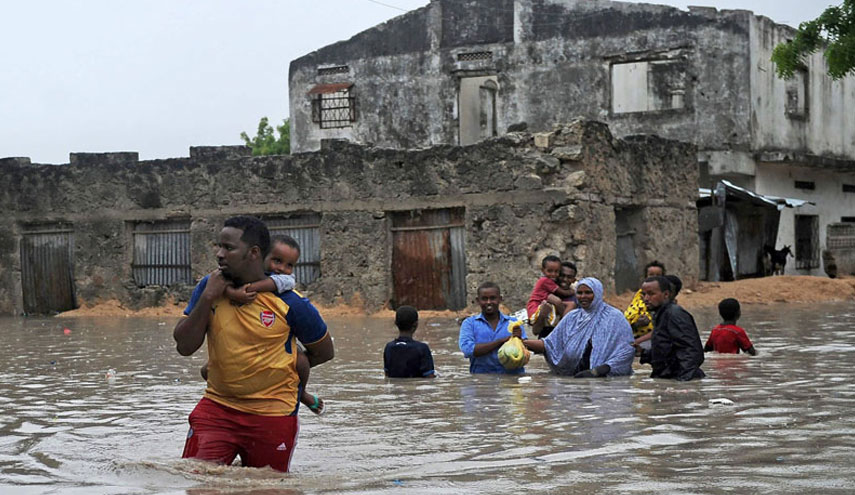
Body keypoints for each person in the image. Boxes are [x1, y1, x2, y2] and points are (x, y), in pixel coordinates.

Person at [174, 216, 334, 472]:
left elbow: (325, 351)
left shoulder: (291, 303)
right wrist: (207, 298)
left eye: (228, 247)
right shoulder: (210, 287)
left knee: (267, 488)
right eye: (219, 246)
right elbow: (184, 347)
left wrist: (277, 367)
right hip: (217, 409)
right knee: (197, 483)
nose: (219, 254)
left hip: (273, 415)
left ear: (253, 253)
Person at [200, 235, 326, 415]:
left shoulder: (285, 283)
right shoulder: (235, 275)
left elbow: (274, 282)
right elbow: (220, 282)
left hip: (273, 348)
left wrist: (249, 290)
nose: (282, 268)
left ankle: (301, 393)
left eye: (289, 265)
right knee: (207, 370)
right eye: (277, 260)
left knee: (300, 360)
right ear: (260, 257)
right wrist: (233, 293)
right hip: (235, 349)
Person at [523, 277, 634, 377]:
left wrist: (598, 371)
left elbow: (626, 351)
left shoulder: (615, 317)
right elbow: (550, 344)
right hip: (574, 378)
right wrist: (520, 342)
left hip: (605, 382)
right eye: (579, 293)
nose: (583, 296)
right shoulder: (572, 317)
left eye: (588, 292)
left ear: (598, 293)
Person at [638, 276, 705, 381]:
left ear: (666, 295)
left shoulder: (675, 314)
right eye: (643, 294)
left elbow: (692, 352)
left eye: (651, 294)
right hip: (666, 379)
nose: (646, 298)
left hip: (680, 381)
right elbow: (666, 349)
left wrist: (683, 384)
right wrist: (644, 353)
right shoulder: (660, 314)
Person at [459, 281, 526, 374]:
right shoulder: (469, 324)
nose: (489, 302)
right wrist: (500, 342)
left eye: (493, 298)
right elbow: (468, 350)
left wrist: (519, 340)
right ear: (478, 300)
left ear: (500, 299)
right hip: (482, 381)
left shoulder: (514, 323)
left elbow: (525, 352)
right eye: (484, 299)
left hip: (511, 378)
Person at [527, 255, 575, 338]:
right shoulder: (549, 292)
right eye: (562, 275)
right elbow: (535, 331)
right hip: (546, 341)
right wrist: (542, 315)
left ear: (574, 280)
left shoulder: (577, 299)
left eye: (569, 277)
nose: (564, 279)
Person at [384, 305, 437, 378]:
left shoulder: (389, 347)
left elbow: (387, 375)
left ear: (396, 323)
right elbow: (430, 377)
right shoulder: (422, 348)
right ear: (416, 324)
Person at [625, 261, 666, 350]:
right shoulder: (638, 299)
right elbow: (628, 321)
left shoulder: (665, 300)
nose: (655, 278)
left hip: (654, 339)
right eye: (651, 275)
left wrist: (637, 342)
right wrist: (636, 324)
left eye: (658, 275)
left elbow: (661, 329)